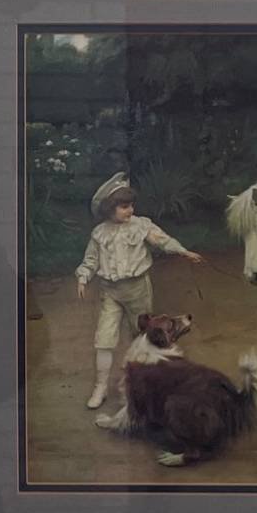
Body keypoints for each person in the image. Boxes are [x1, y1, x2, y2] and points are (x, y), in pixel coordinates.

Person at [75, 173, 203, 409]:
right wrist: (83, 276)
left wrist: (182, 251)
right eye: (124, 207)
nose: (130, 210)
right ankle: (100, 386)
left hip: (137, 290)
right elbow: (91, 260)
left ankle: (144, 384)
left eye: (131, 205)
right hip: (110, 292)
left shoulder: (141, 226)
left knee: (143, 337)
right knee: (104, 339)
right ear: (109, 209)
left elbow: (162, 240)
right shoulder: (99, 233)